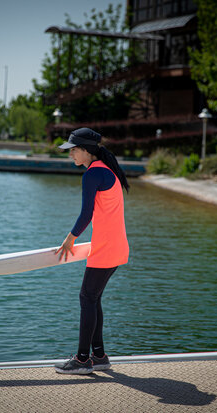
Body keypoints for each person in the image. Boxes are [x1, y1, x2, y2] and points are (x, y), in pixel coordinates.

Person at [54, 127, 130, 375]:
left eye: (73, 150)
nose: (71, 155)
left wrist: (70, 239)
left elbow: (86, 214)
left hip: (106, 249)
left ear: (85, 150)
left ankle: (83, 359)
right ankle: (99, 356)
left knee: (87, 298)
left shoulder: (93, 174)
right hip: (115, 247)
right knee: (92, 298)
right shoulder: (107, 171)